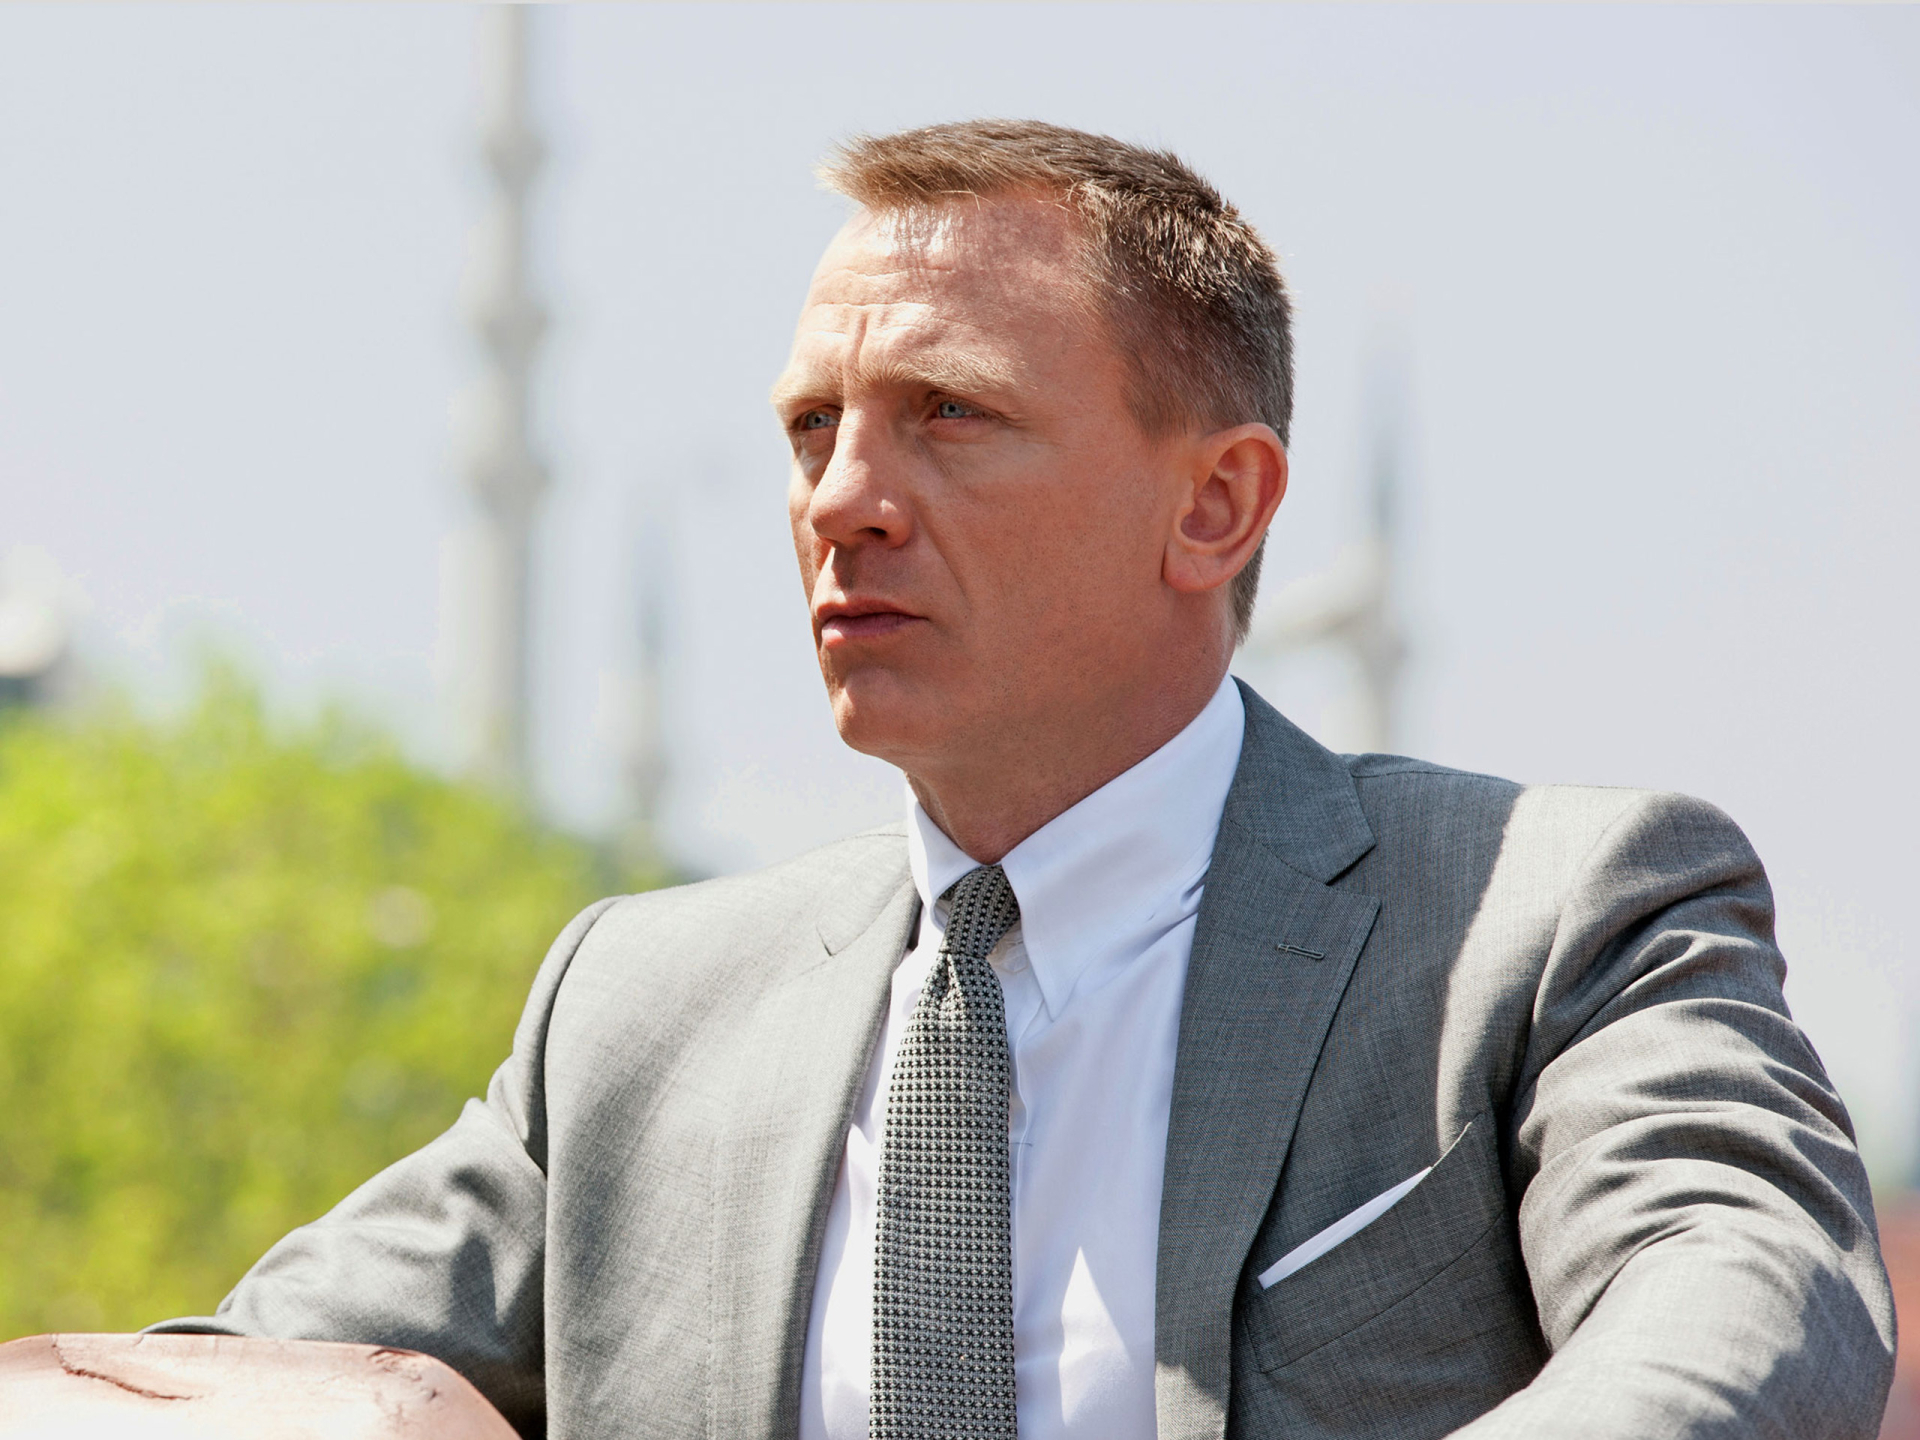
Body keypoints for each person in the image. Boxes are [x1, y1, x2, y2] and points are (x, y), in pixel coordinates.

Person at [151, 120, 1894, 1439]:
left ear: (1215, 505)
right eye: (811, 428)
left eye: (949, 414)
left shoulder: (1546, 919)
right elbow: (195, 1387)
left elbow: (1753, 1293)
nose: (842, 500)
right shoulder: (635, 1019)